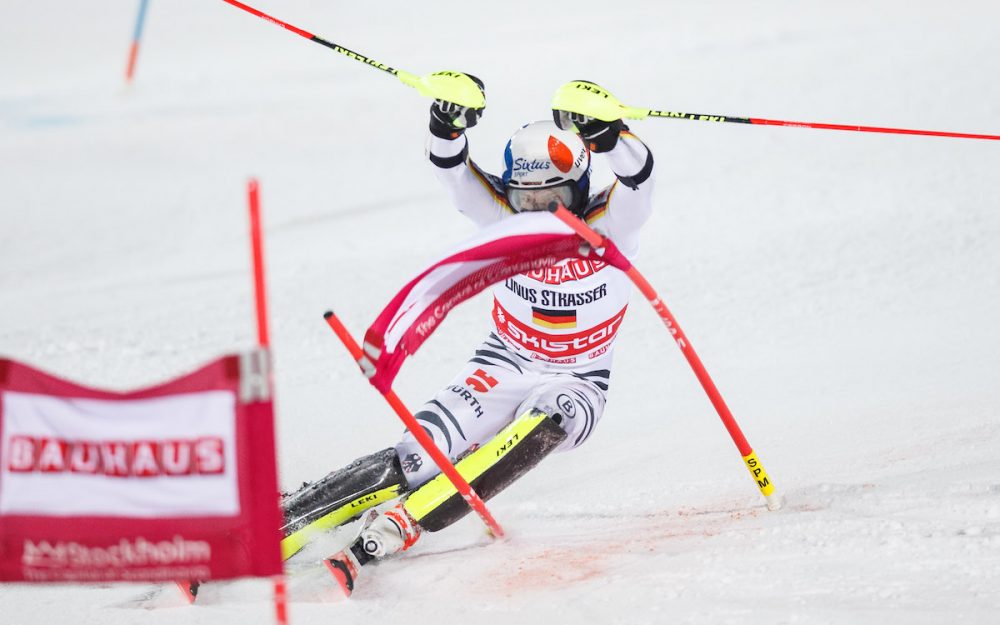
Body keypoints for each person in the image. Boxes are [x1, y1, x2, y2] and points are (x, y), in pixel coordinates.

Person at [280, 77, 655, 586]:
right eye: (527, 198)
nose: (540, 212)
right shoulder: (501, 214)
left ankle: (408, 521)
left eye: (557, 197)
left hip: (580, 378)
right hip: (504, 363)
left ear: (583, 185)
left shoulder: (613, 223)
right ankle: (289, 518)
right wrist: (446, 124)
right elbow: (454, 173)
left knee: (551, 418)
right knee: (417, 454)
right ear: (508, 192)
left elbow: (640, 183)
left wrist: (610, 136)